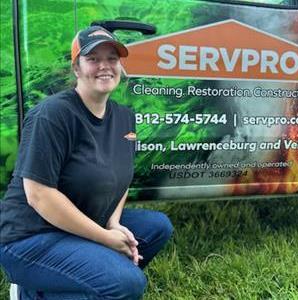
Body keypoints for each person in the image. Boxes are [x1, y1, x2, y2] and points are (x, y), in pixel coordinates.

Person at [0, 25, 173, 300]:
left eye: (112, 59)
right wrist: (105, 239)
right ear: (77, 69)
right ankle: (31, 293)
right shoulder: (51, 115)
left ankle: (64, 284)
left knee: (158, 227)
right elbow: (39, 196)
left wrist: (114, 223)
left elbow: (121, 176)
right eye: (93, 59)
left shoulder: (125, 117)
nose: (104, 66)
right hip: (30, 236)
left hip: (82, 221)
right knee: (127, 283)